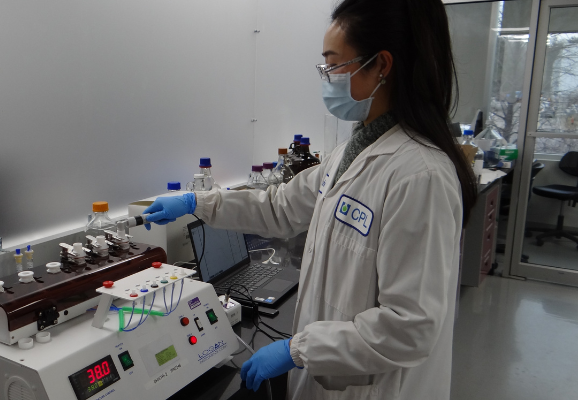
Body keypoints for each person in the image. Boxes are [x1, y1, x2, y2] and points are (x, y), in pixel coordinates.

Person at [144, 0, 478, 398]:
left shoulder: (420, 176)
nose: (327, 78)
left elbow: (410, 327)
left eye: (334, 65)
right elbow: (280, 206)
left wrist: (299, 349)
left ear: (381, 65)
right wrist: (197, 203)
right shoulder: (350, 153)